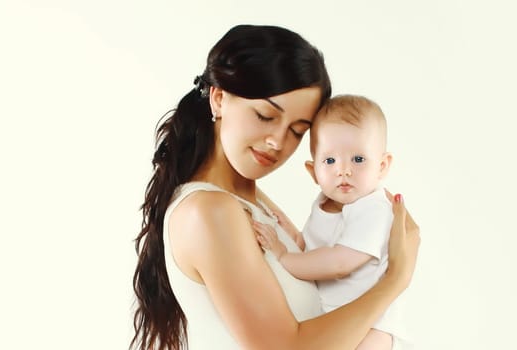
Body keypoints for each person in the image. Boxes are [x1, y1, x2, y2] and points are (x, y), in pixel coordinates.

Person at [131, 24, 420, 350]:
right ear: (219, 97)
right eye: (266, 116)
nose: (277, 142)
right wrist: (395, 279)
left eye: (297, 131)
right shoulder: (209, 211)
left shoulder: (254, 203)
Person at [254, 95, 405, 350]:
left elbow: (338, 263)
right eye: (330, 160)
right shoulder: (324, 202)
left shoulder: (374, 208)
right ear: (313, 172)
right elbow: (314, 250)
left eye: (358, 159)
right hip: (333, 320)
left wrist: (283, 256)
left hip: (372, 326)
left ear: (382, 166)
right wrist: (288, 233)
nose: (343, 170)